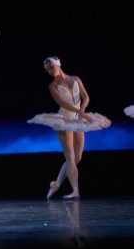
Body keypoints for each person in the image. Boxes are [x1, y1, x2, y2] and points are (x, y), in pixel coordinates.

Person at [27, 56, 111, 200]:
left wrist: (83, 110)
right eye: (46, 69)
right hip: (64, 120)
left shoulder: (76, 79)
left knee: (78, 157)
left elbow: (86, 97)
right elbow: (62, 102)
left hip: (78, 119)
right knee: (70, 157)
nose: (49, 70)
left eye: (51, 67)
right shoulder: (52, 85)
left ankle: (57, 183)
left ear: (58, 65)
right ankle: (75, 190)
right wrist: (81, 113)